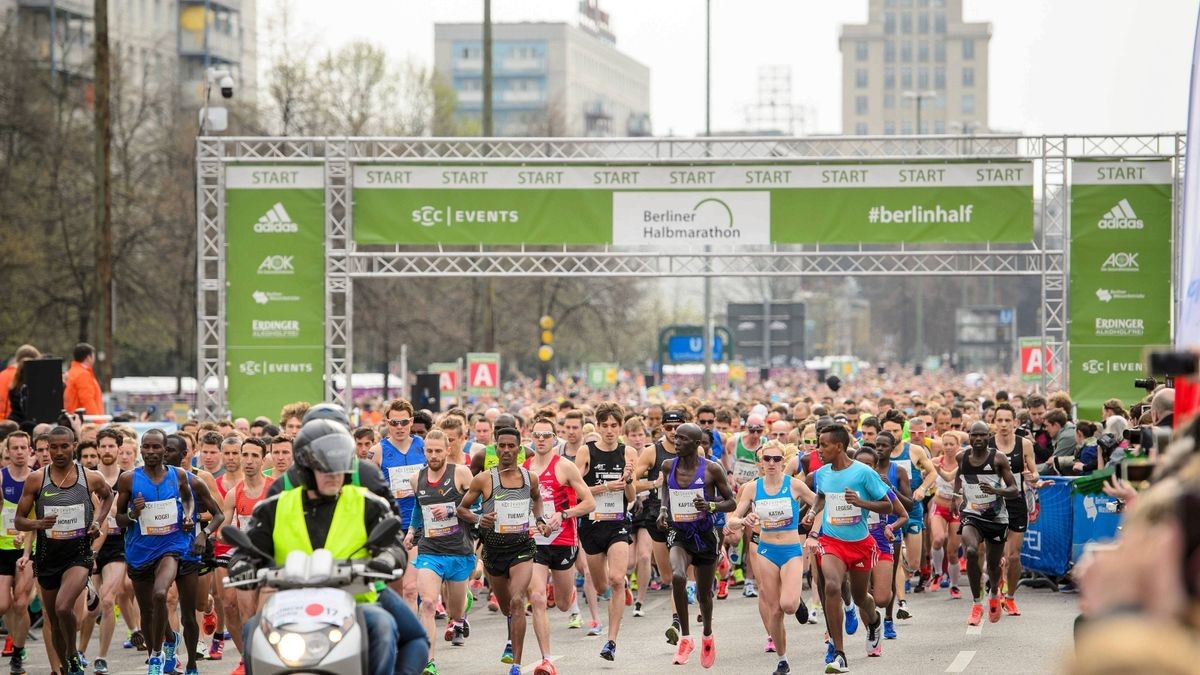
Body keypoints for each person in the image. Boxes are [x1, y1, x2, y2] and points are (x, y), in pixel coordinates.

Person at [228, 418, 428, 675]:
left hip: (356, 599)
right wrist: (242, 564)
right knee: (252, 628)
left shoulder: (368, 503)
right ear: (305, 468)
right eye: (325, 468)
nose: (334, 475)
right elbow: (249, 548)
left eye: (339, 468)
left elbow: (392, 543)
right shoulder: (274, 507)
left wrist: (387, 560)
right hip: (290, 604)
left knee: (384, 624)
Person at [14, 426, 115, 675]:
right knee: (54, 621)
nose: (59, 452)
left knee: (62, 607)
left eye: (64, 446)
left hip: (78, 555)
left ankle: (72, 653)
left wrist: (97, 522)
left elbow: (107, 497)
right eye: (54, 447)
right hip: (47, 557)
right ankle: (67, 666)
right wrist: (39, 524)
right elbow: (19, 521)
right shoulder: (37, 479)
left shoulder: (90, 477)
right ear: (47, 449)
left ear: (74, 446)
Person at [455, 427, 551, 675]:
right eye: (502, 446)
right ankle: (512, 637)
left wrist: (540, 519)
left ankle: (516, 664)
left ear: (519, 449)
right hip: (493, 551)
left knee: (518, 601)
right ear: (495, 448)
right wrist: (479, 518)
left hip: (522, 548)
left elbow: (537, 499)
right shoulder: (484, 479)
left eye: (511, 446)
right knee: (507, 608)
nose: (506, 450)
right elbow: (461, 509)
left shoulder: (530, 478)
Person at [802, 424, 892, 674]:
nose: (819, 450)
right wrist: (812, 512)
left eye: (823, 445)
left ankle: (874, 622)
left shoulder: (863, 473)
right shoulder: (822, 473)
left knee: (861, 597)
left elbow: (887, 506)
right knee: (831, 585)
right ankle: (839, 652)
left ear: (839, 446)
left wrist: (860, 502)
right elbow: (822, 495)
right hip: (832, 541)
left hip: (860, 543)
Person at [727, 439, 815, 675]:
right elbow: (732, 520)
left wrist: (813, 523)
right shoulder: (752, 488)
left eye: (777, 459)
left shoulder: (794, 485)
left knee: (788, 605)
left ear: (783, 461)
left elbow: (820, 502)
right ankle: (782, 659)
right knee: (774, 610)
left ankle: (796, 600)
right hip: (766, 551)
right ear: (760, 462)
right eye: (767, 458)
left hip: (791, 550)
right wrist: (743, 520)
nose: (772, 463)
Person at [656, 423, 736, 668]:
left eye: (682, 439)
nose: (676, 441)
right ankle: (686, 638)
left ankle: (707, 635)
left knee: (704, 595)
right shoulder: (668, 465)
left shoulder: (712, 469)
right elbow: (666, 488)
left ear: (696, 443)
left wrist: (711, 506)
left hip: (705, 535)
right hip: (679, 532)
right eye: (676, 437)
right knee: (678, 576)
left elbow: (731, 502)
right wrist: (663, 509)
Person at [524, 417, 595, 675]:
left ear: (555, 438)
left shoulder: (565, 466)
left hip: (563, 540)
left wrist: (564, 514)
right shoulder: (523, 469)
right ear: (531, 437)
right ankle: (546, 659)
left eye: (546, 435)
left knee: (563, 604)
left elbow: (589, 503)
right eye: (537, 435)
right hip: (535, 542)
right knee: (537, 598)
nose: (541, 440)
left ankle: (567, 594)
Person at [403, 430, 475, 675]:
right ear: (424, 451)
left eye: (438, 451)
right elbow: (418, 508)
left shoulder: (461, 473)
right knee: (428, 603)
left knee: (456, 612)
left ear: (447, 450)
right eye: (429, 451)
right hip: (430, 550)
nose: (433, 455)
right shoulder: (416, 478)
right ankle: (429, 662)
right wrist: (411, 531)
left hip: (459, 550)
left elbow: (477, 506)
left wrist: (452, 511)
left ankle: (463, 607)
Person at [574, 402, 638, 661]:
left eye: (614, 425)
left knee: (616, 578)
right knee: (602, 587)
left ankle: (611, 641)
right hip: (591, 525)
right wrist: (606, 487)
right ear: (598, 427)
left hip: (617, 523)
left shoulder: (628, 452)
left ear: (620, 426)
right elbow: (575, 491)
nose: (610, 430)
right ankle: (616, 591)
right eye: (605, 426)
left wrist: (628, 480)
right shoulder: (586, 451)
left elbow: (631, 495)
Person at [86, 428, 140, 674]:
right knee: (91, 607)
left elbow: (136, 513)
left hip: (121, 544)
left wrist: (124, 512)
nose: (107, 450)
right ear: (97, 448)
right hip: (91, 544)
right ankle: (78, 651)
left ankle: (102, 656)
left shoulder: (129, 479)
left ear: (119, 449)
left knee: (110, 599)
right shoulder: (88, 478)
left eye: (111, 446)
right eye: (103, 446)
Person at [955, 421, 1019, 627]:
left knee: (993, 565)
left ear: (988, 437)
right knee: (971, 551)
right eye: (974, 435)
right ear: (969, 437)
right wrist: (956, 497)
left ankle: (993, 593)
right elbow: (958, 477)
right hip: (971, 514)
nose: (978, 439)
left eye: (982, 435)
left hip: (996, 518)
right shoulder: (961, 457)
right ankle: (976, 603)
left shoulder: (998, 458)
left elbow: (1014, 489)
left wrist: (996, 491)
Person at [218, 437, 272, 665]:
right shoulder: (234, 493)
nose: (249, 461)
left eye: (254, 456)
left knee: (263, 614)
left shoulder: (274, 490)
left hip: (270, 558)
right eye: (245, 455)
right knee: (238, 610)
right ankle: (246, 659)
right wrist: (230, 535)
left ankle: (267, 658)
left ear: (263, 460)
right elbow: (222, 531)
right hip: (245, 557)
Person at [370, 399, 427, 608]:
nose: (399, 427)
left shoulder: (424, 447)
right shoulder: (377, 451)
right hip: (392, 525)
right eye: (394, 423)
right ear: (387, 423)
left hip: (420, 524)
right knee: (396, 589)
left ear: (411, 421)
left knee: (411, 588)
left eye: (404, 422)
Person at [991, 404, 1038, 616]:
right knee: (996, 555)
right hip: (992, 504)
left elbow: (1034, 473)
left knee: (1013, 556)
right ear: (994, 422)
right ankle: (995, 590)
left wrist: (1032, 477)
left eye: (1007, 420)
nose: (1003, 424)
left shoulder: (1024, 444)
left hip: (1016, 502)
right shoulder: (988, 445)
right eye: (999, 420)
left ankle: (1010, 597)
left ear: (1015, 422)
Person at [0, 431, 34, 674]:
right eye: (15, 448)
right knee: (4, 604)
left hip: (28, 548)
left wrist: (25, 534)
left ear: (29, 450)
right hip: (3, 547)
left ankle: (18, 653)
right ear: (7, 451)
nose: (20, 452)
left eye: (24, 447)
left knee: (21, 603)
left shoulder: (36, 478)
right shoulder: (1, 478)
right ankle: (16, 638)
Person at [64, 343, 104, 417]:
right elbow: (87, 400)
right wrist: (98, 421)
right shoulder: (83, 374)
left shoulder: (72, 372)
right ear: (88, 357)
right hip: (86, 420)